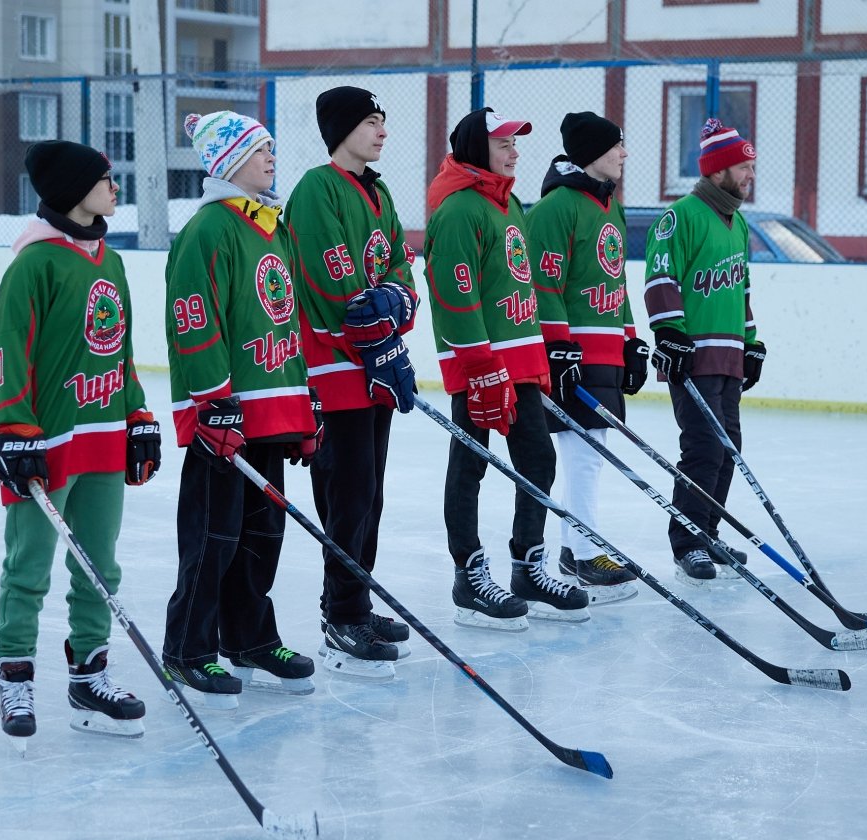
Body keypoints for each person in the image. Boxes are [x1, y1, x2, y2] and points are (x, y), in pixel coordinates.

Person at [0, 140, 158, 746]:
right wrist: (11, 429)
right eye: (105, 179)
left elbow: (120, 348)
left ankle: (90, 676)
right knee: (28, 565)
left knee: (98, 565)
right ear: (71, 191)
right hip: (45, 442)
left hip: (104, 436)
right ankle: (16, 675)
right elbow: (6, 349)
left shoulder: (109, 261)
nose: (115, 186)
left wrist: (136, 413)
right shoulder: (35, 264)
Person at [162, 111, 321, 708]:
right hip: (226, 417)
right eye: (259, 150)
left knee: (263, 532)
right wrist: (212, 403)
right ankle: (188, 648)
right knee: (214, 535)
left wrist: (305, 405)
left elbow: (290, 322)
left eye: (272, 148)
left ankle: (249, 637)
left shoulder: (272, 226)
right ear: (228, 161)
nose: (271, 157)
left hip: (273, 409)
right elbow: (194, 321)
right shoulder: (209, 229)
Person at [423, 107, 590, 630]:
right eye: (504, 145)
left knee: (538, 460)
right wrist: (480, 366)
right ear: (478, 149)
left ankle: (528, 566)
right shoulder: (459, 211)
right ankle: (468, 575)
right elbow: (454, 294)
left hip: (518, 362)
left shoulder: (508, 203)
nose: (515, 152)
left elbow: (520, 288)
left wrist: (538, 360)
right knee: (469, 464)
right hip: (481, 366)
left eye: (516, 144)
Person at [286, 87, 417, 680]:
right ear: (341, 129)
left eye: (384, 121)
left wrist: (394, 306)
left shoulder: (380, 190)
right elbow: (328, 281)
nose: (382, 131)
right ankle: (342, 613)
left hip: (375, 368)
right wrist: (373, 332)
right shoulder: (317, 190)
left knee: (373, 495)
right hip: (336, 372)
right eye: (371, 122)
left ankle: (356, 599)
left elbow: (397, 267)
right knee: (348, 493)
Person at [527, 111, 647, 605]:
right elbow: (541, 282)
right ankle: (580, 551)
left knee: (593, 448)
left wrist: (630, 339)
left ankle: (579, 547)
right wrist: (556, 344)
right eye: (616, 146)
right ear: (591, 153)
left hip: (604, 352)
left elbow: (615, 282)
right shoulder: (557, 208)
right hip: (572, 351)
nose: (623, 154)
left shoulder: (608, 207)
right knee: (581, 451)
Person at [643, 118, 766, 584]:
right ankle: (688, 542)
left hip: (729, 357)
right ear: (718, 171)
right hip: (691, 356)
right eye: (743, 166)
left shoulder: (737, 224)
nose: (750, 175)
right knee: (702, 449)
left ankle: (709, 531)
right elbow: (660, 275)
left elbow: (742, 290)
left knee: (728, 449)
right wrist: (668, 332)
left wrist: (751, 343)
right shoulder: (682, 216)